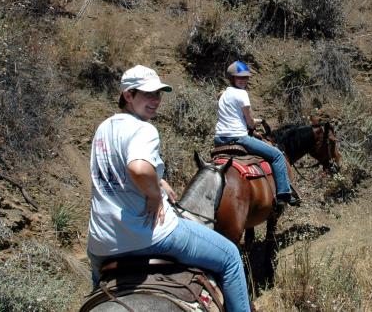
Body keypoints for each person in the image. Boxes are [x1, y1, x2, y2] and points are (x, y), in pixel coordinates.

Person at [87, 65, 251, 312]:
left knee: (97, 292)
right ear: (128, 95)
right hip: (147, 236)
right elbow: (139, 168)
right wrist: (154, 195)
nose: (155, 100)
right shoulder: (144, 129)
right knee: (229, 257)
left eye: (159, 94)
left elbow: (118, 168)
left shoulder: (104, 127)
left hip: (101, 242)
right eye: (147, 94)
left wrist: (159, 180)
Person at [214, 61, 298, 206]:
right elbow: (250, 123)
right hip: (239, 138)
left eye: (245, 78)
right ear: (232, 78)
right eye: (240, 78)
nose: (243, 80)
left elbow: (237, 117)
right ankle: (284, 194)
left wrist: (255, 121)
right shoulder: (242, 94)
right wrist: (257, 122)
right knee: (277, 155)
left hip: (220, 139)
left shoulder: (223, 94)